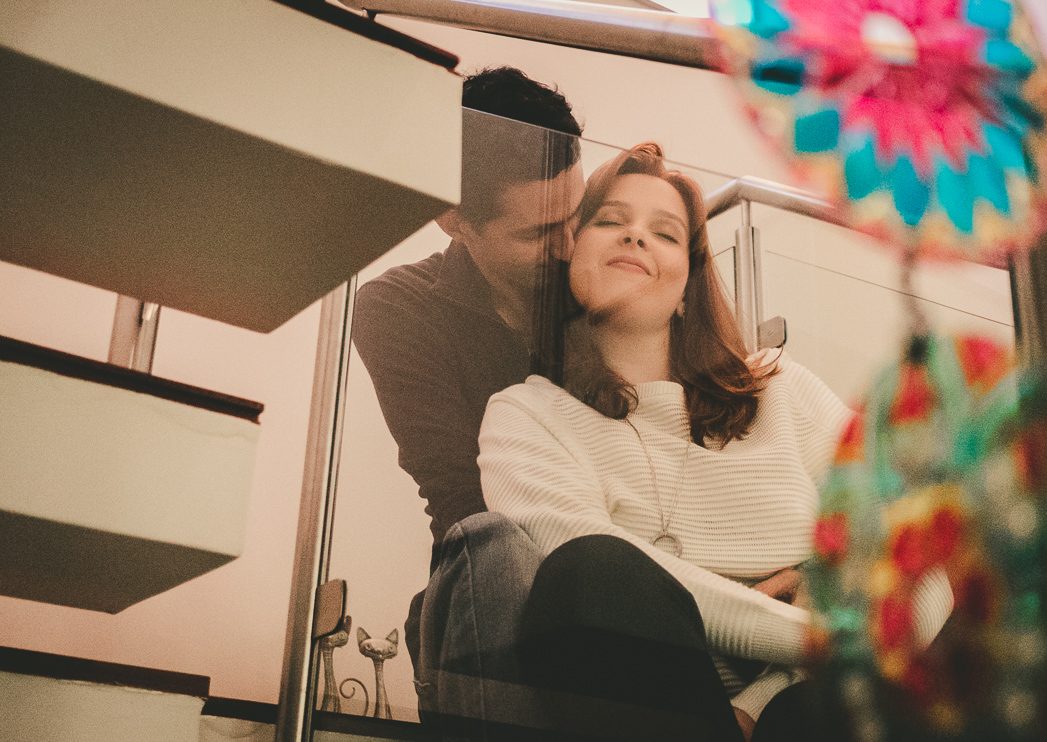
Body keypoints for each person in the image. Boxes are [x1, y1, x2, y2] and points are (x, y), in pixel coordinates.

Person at [478, 143, 953, 741]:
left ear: (688, 287)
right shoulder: (526, 414)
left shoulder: (781, 388)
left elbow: (925, 564)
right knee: (595, 571)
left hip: (813, 711)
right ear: (571, 255)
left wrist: (760, 699)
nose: (635, 236)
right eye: (610, 220)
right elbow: (580, 575)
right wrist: (816, 632)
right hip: (662, 712)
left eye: (665, 233)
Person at [351, 67, 585, 728]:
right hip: (498, 593)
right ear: (454, 220)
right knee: (491, 544)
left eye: (578, 213)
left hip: (619, 579)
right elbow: (461, 499)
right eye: (540, 233)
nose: (571, 247)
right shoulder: (398, 309)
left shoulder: (601, 282)